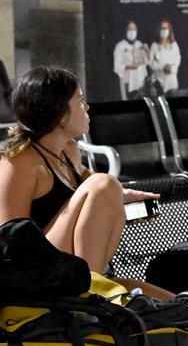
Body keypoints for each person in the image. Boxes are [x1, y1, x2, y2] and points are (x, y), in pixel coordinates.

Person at [0, 66, 159, 276]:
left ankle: (92, 289)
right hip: (37, 279)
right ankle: (90, 295)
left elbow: (90, 214)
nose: (87, 107)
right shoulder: (19, 162)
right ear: (61, 115)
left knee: (179, 303)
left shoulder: (69, 151)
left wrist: (121, 205)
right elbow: (9, 246)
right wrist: (113, 195)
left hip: (79, 271)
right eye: (80, 101)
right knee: (105, 184)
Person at [112, 20, 147, 100]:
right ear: (126, 31)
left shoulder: (139, 44)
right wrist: (129, 66)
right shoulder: (120, 46)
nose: (132, 32)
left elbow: (145, 63)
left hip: (139, 83)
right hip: (127, 82)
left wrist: (146, 51)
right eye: (130, 29)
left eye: (134, 29)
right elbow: (116, 65)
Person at [149, 19, 181, 94]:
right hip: (159, 84)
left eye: (166, 28)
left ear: (169, 30)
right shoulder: (154, 45)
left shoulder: (174, 45)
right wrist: (162, 67)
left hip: (172, 84)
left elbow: (177, 61)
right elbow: (151, 63)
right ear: (159, 30)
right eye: (162, 28)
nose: (164, 30)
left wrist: (171, 69)